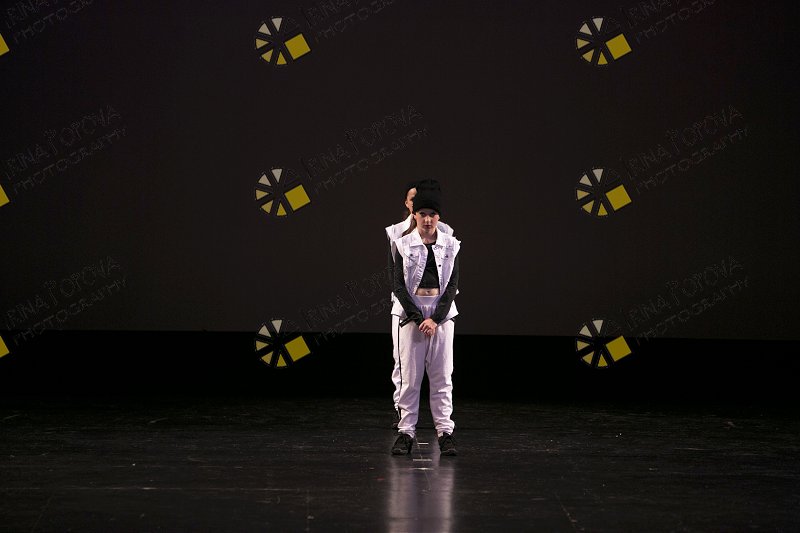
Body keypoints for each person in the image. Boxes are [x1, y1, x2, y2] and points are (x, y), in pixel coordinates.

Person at [389, 185, 460, 456]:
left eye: (432, 214)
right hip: (411, 313)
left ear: (439, 216)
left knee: (442, 375)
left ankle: (445, 433)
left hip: (441, 313)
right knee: (410, 377)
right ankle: (406, 432)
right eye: (422, 213)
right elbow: (398, 285)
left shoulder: (451, 244)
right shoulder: (402, 244)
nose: (427, 219)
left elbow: (452, 286)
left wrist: (436, 318)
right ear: (414, 214)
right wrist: (419, 317)